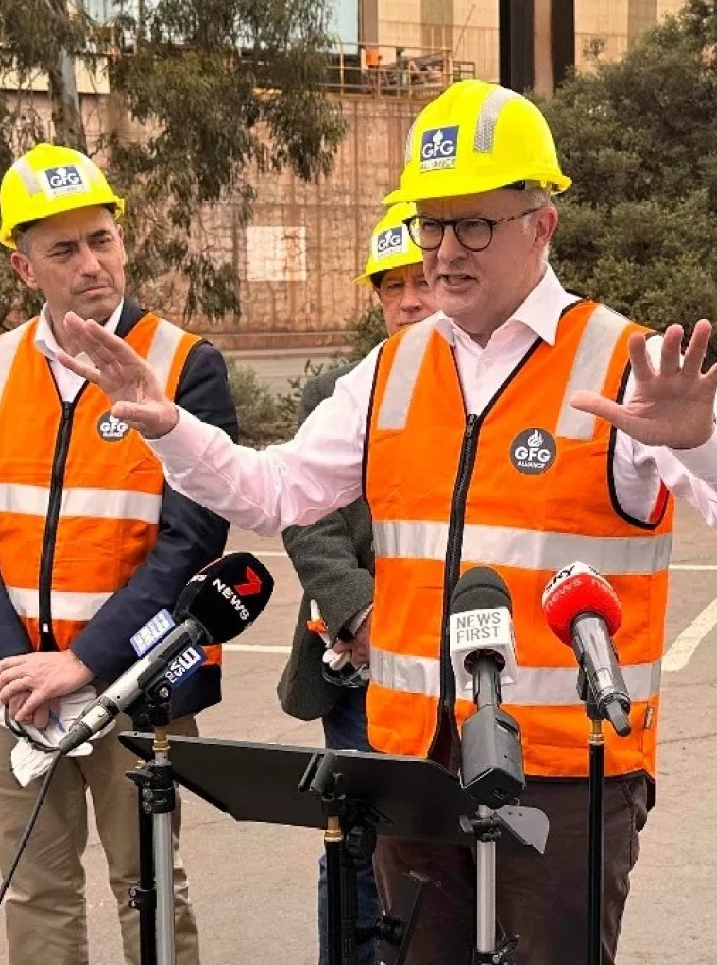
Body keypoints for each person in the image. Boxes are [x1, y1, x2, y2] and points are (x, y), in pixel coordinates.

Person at [56, 78, 717, 965]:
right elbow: (274, 492)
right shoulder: (392, 369)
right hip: (413, 767)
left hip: (568, 773)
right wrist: (172, 425)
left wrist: (707, 444)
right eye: (431, 224)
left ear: (542, 223)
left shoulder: (623, 362)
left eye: (473, 225)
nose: (446, 251)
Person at [0, 142, 238, 965]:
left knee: (149, 891)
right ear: (24, 266)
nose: (91, 263)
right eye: (63, 249)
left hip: (137, 688)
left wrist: (85, 662)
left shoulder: (183, 365)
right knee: (35, 893)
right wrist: (8, 666)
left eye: (102, 238)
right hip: (16, 694)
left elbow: (191, 543)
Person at [278, 201, 437, 965]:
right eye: (390, 286)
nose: (408, 300)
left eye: (420, 281)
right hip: (355, 669)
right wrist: (361, 616)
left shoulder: (492, 394)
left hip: (455, 667)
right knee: (353, 850)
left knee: (446, 851)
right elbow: (308, 520)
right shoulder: (337, 393)